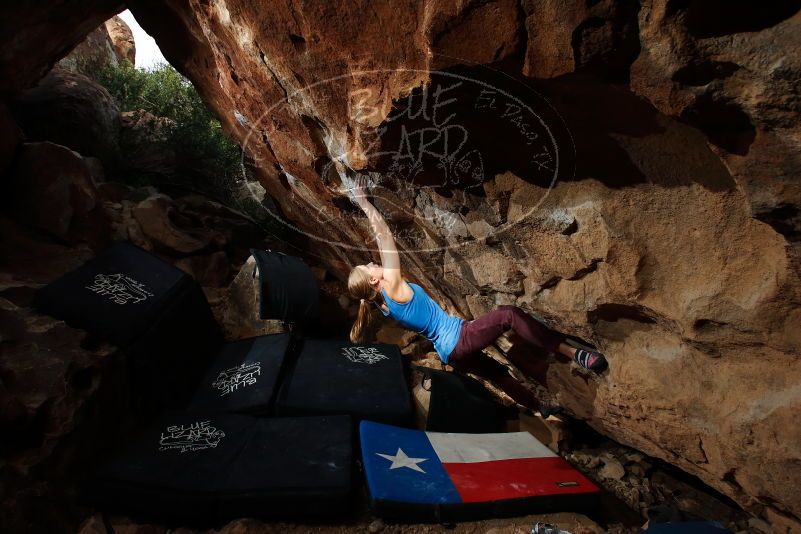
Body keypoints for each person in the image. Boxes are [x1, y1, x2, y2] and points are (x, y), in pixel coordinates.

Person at [346, 176, 607, 415]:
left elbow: (381, 248)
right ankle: (575, 354)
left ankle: (540, 408)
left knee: (497, 374)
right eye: (368, 267)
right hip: (458, 339)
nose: (372, 263)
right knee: (508, 315)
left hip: (450, 353)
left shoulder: (382, 305)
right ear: (373, 280)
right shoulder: (390, 287)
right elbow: (385, 237)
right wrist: (364, 202)